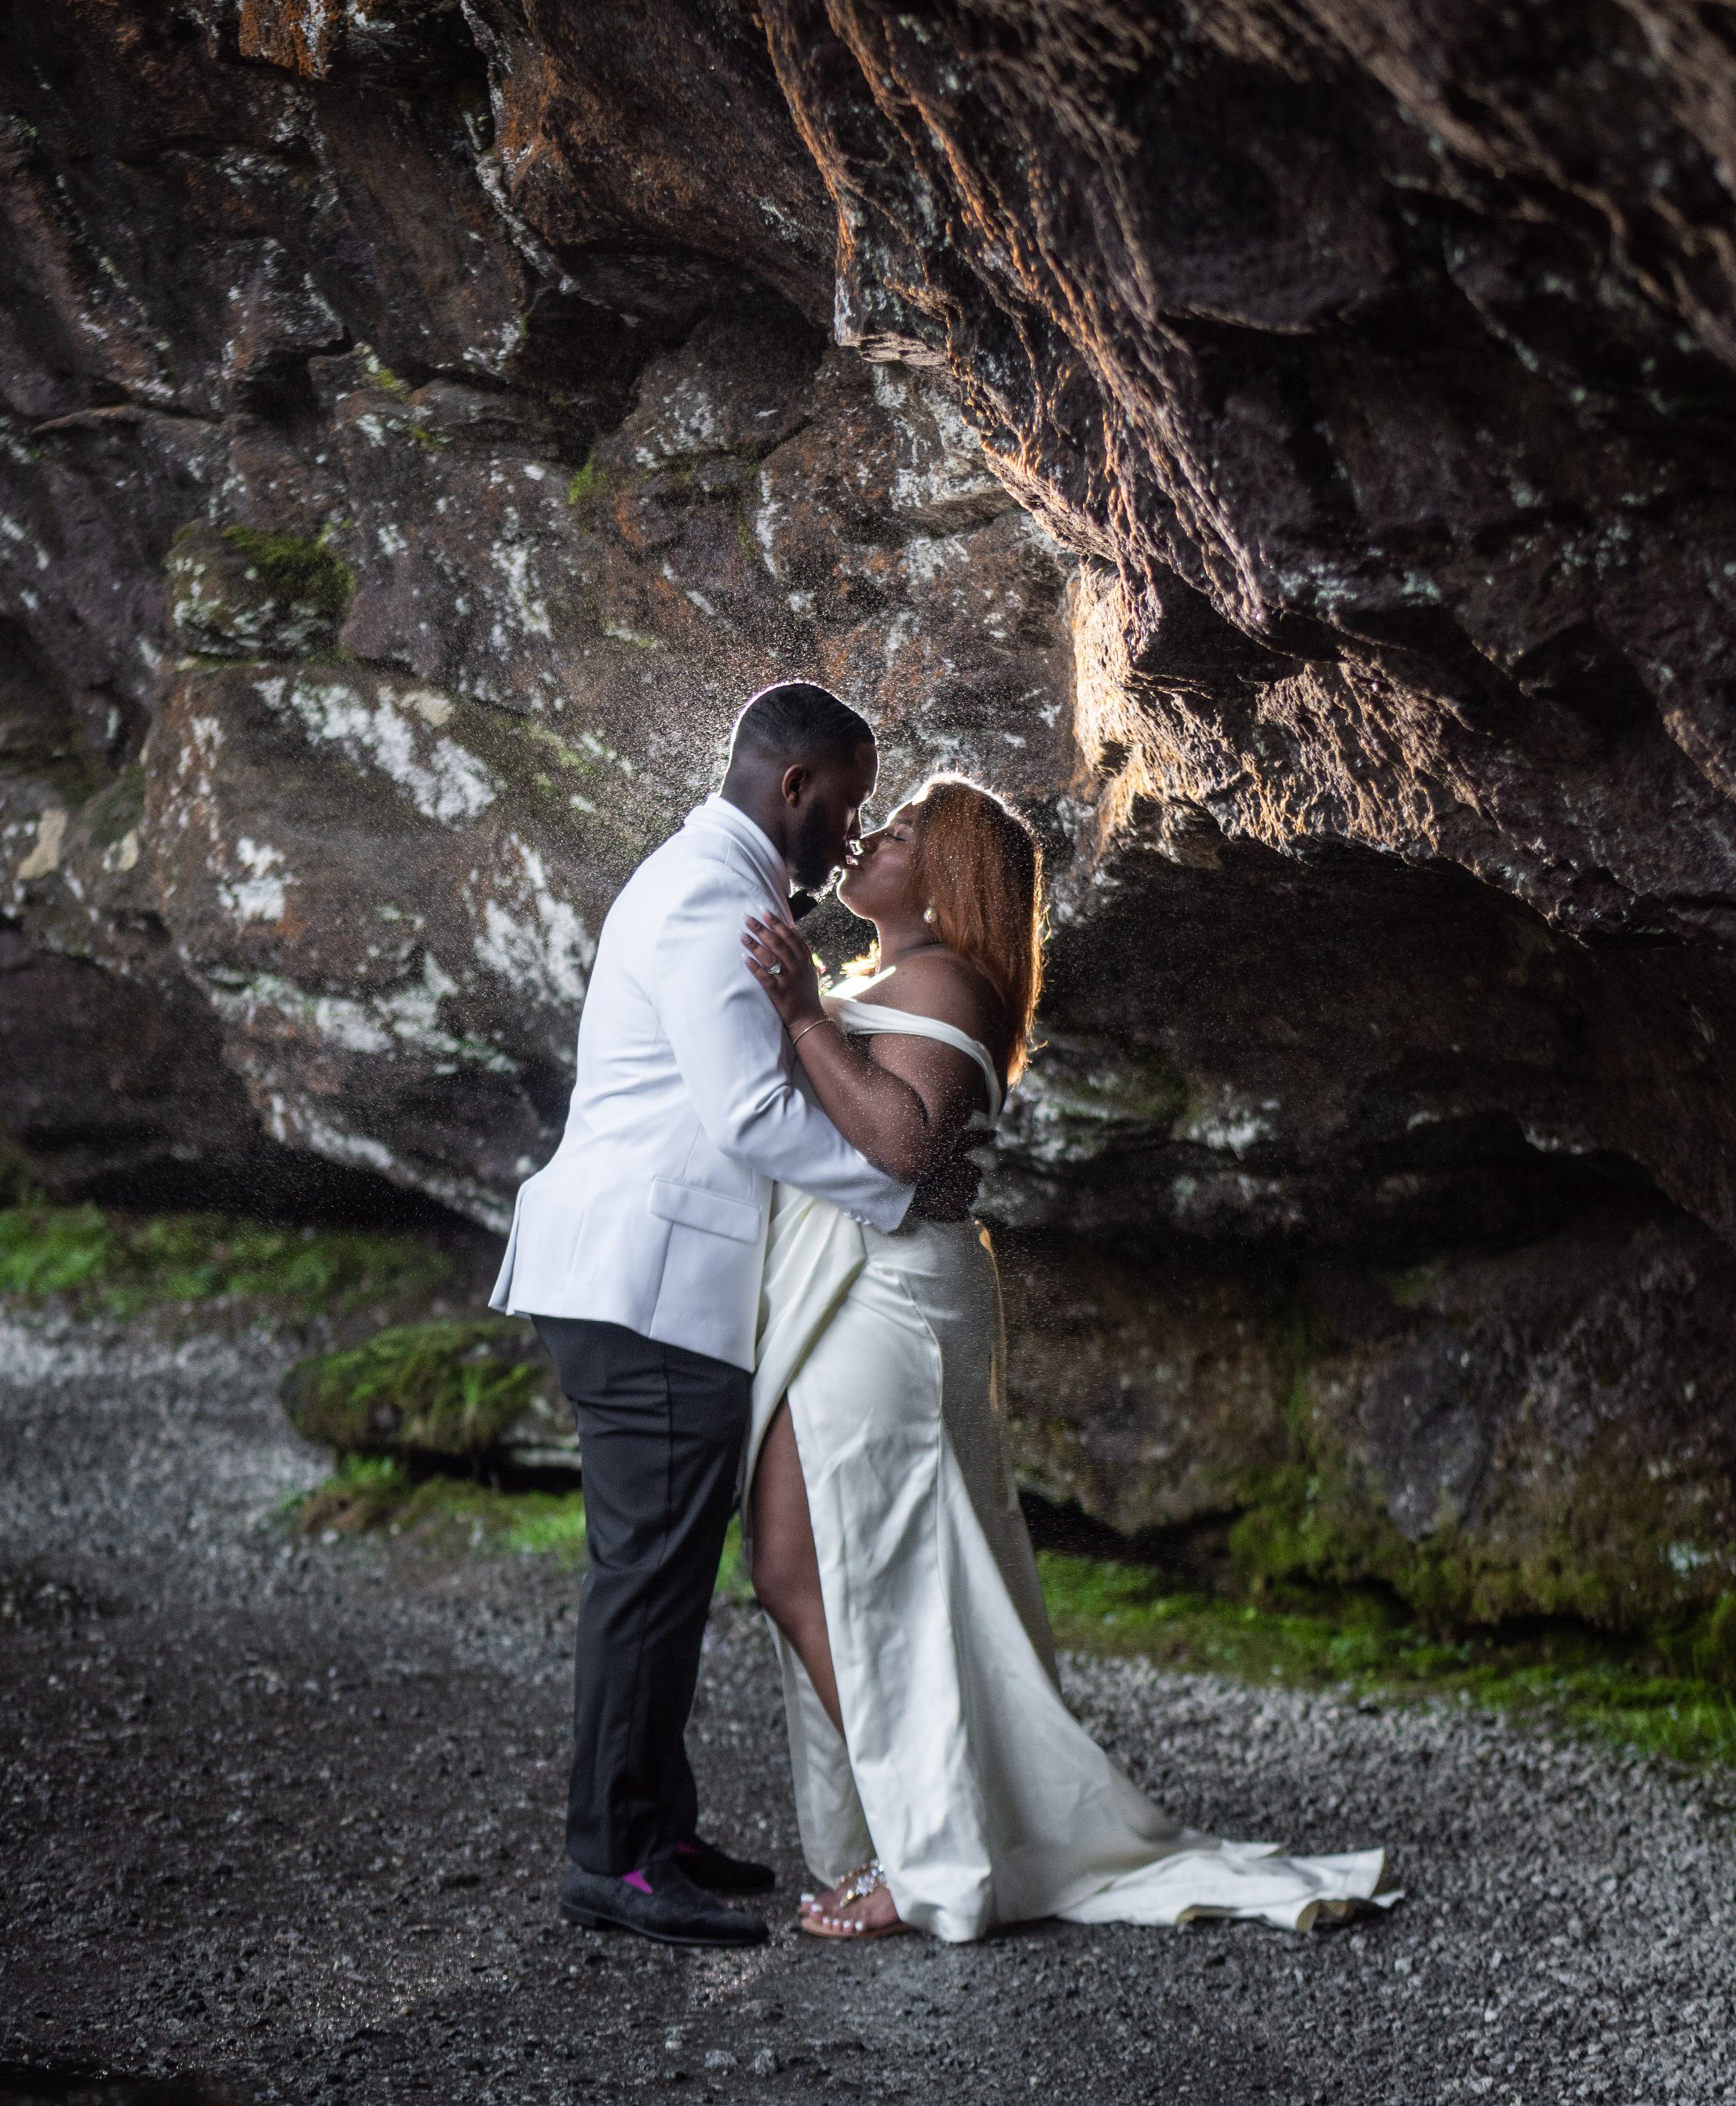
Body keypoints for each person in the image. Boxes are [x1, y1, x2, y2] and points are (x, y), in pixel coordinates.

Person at [739, 776, 1394, 1943]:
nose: (871, 839)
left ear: (945, 880)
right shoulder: (905, 977)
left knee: (873, 1573)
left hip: (885, 1296)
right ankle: (927, 1831)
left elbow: (896, 1140)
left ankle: (928, 1857)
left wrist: (797, 1014)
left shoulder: (947, 978)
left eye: (900, 835)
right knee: (802, 1565)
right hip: (861, 1293)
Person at [489, 680, 916, 1948]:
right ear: (796, 786)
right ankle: (612, 1859)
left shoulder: (711, 878)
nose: (852, 835)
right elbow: (745, 1113)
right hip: (648, 1287)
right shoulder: (709, 893)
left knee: (664, 1576)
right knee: (646, 1579)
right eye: (848, 804)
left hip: (653, 1283)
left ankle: (655, 1826)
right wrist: (894, 1190)